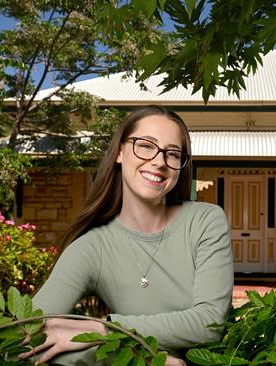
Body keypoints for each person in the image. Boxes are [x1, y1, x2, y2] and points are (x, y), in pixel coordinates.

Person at [19, 105, 234, 365]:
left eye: (173, 153)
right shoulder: (92, 248)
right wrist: (152, 360)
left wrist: (104, 329)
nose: (158, 161)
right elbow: (23, 336)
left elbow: (209, 324)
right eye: (145, 145)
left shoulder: (205, 220)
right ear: (120, 152)